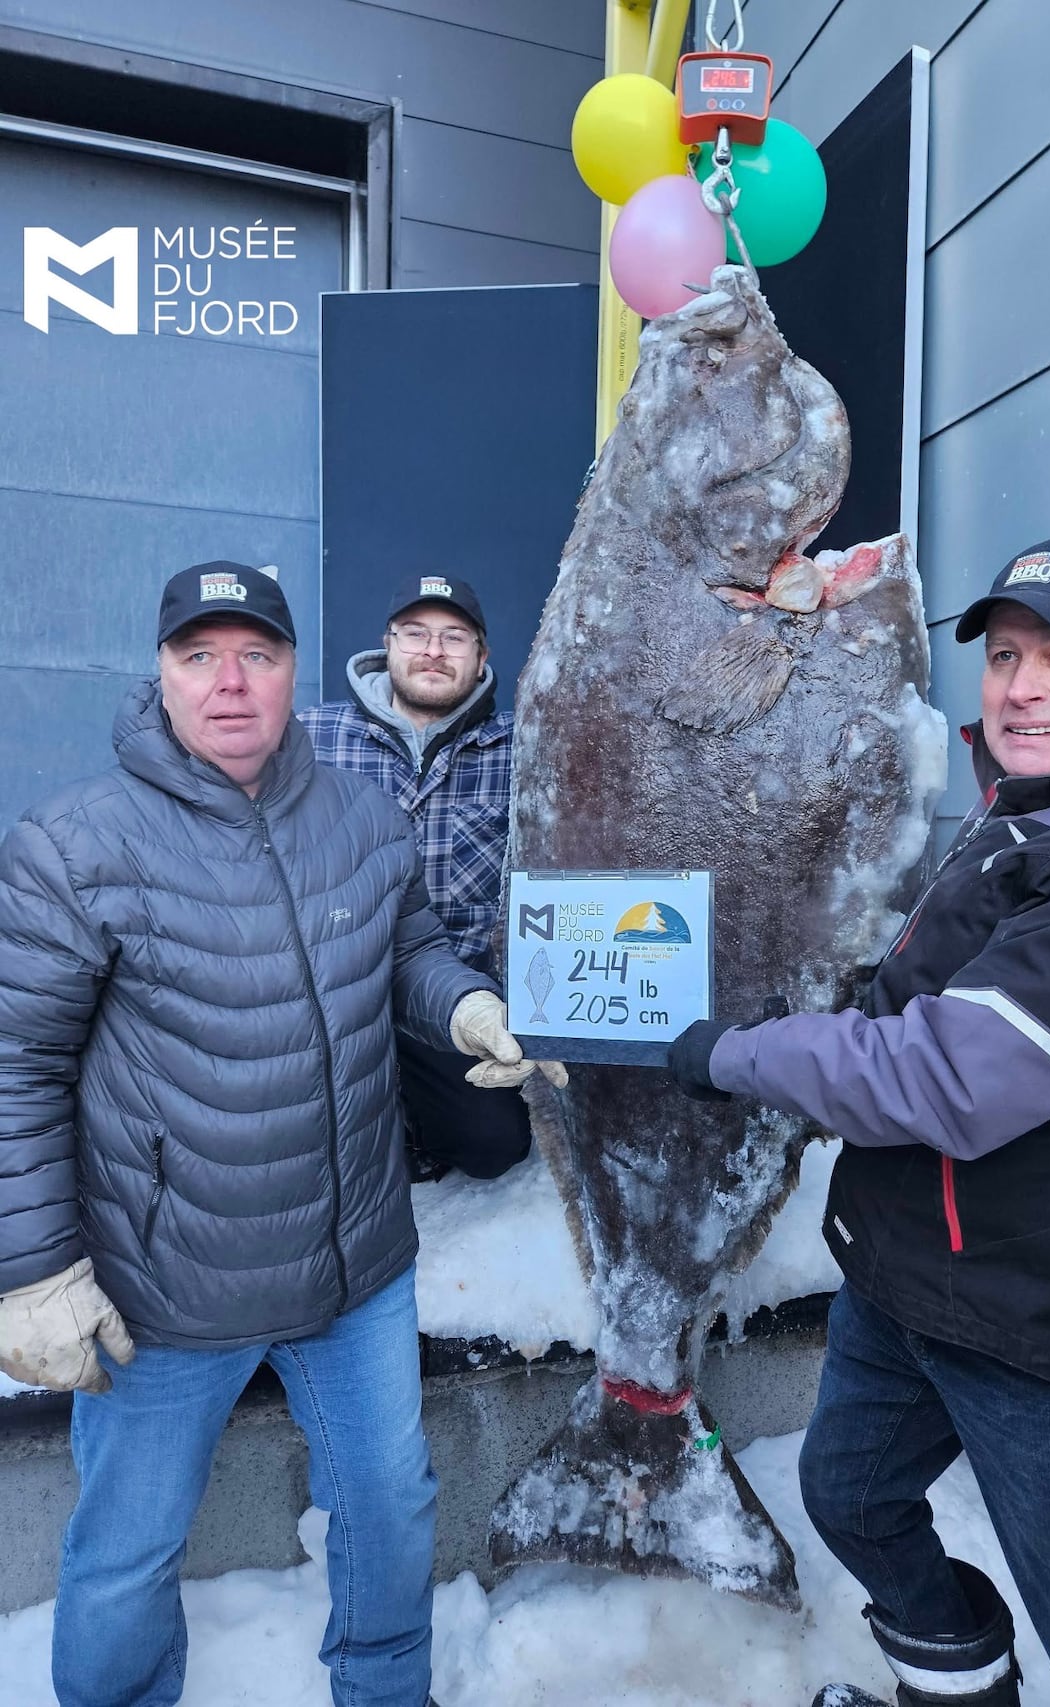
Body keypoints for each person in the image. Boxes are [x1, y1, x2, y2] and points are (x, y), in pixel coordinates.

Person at [669, 538, 1050, 1707]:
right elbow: (921, 996)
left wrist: (734, 1057)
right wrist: (817, 1020)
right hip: (910, 1278)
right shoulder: (1036, 804)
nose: (1021, 686)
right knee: (849, 1497)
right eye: (1002, 657)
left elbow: (949, 1073)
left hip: (1044, 1325)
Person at [0, 561, 563, 1707]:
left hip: (350, 1266)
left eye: (255, 655)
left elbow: (403, 951)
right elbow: (18, 1059)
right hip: (166, 1285)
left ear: (296, 669)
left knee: (391, 1506)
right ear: (158, 674)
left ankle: (383, 1689)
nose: (229, 684)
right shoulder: (73, 845)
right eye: (198, 656)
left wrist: (462, 1003)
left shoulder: (357, 815)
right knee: (125, 1550)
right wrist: (31, 1271)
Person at [300, 572, 529, 1183]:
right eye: (416, 633)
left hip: (453, 997)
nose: (432, 650)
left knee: (493, 1146)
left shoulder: (524, 751)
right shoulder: (309, 738)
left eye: (454, 637)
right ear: (387, 644)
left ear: (481, 655)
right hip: (334, 994)